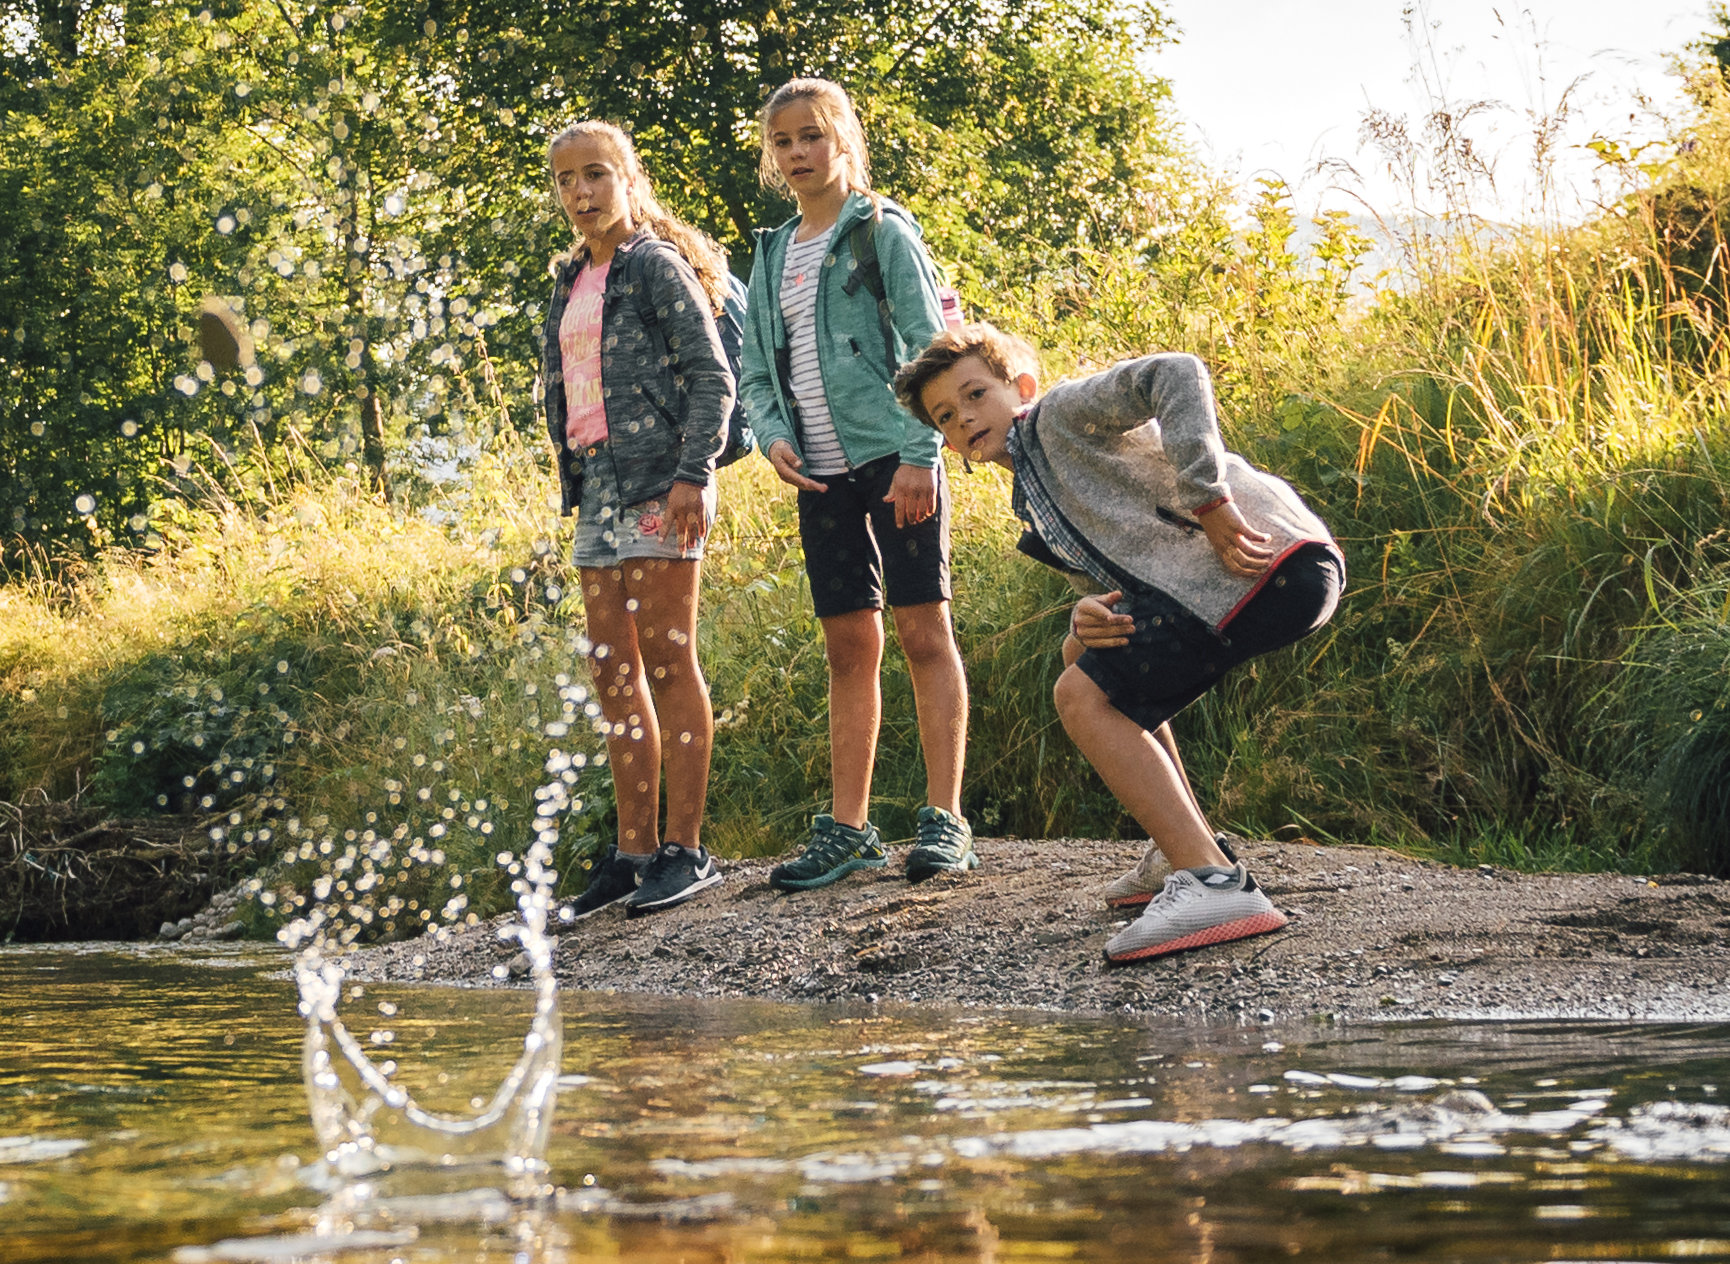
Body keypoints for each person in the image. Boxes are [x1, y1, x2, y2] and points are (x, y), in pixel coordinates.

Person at [895, 323, 1344, 965]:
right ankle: (1182, 849)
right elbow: (1118, 583)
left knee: (1080, 696)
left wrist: (1209, 499)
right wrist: (1087, 613)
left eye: (975, 394)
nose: (963, 417)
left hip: (1268, 565)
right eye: (945, 415)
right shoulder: (1035, 493)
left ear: (1021, 388)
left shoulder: (1058, 417)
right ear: (945, 442)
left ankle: (1215, 885)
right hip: (1229, 587)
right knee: (1082, 657)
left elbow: (1176, 372)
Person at [736, 76, 972, 893]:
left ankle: (945, 820)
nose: (797, 153)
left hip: (893, 460)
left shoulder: (882, 232)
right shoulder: (771, 252)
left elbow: (932, 349)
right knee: (847, 645)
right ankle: (848, 830)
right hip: (819, 474)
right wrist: (772, 437)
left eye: (811, 135)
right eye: (782, 142)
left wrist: (920, 453)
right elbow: (755, 370)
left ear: (843, 139)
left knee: (922, 631)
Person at [536, 120, 746, 918]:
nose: (580, 192)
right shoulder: (570, 277)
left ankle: (685, 851)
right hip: (596, 489)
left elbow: (711, 376)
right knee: (612, 672)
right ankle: (632, 854)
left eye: (595, 174)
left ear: (627, 179)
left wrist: (693, 474)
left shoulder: (654, 264)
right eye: (565, 180)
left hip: (663, 485)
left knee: (667, 661)